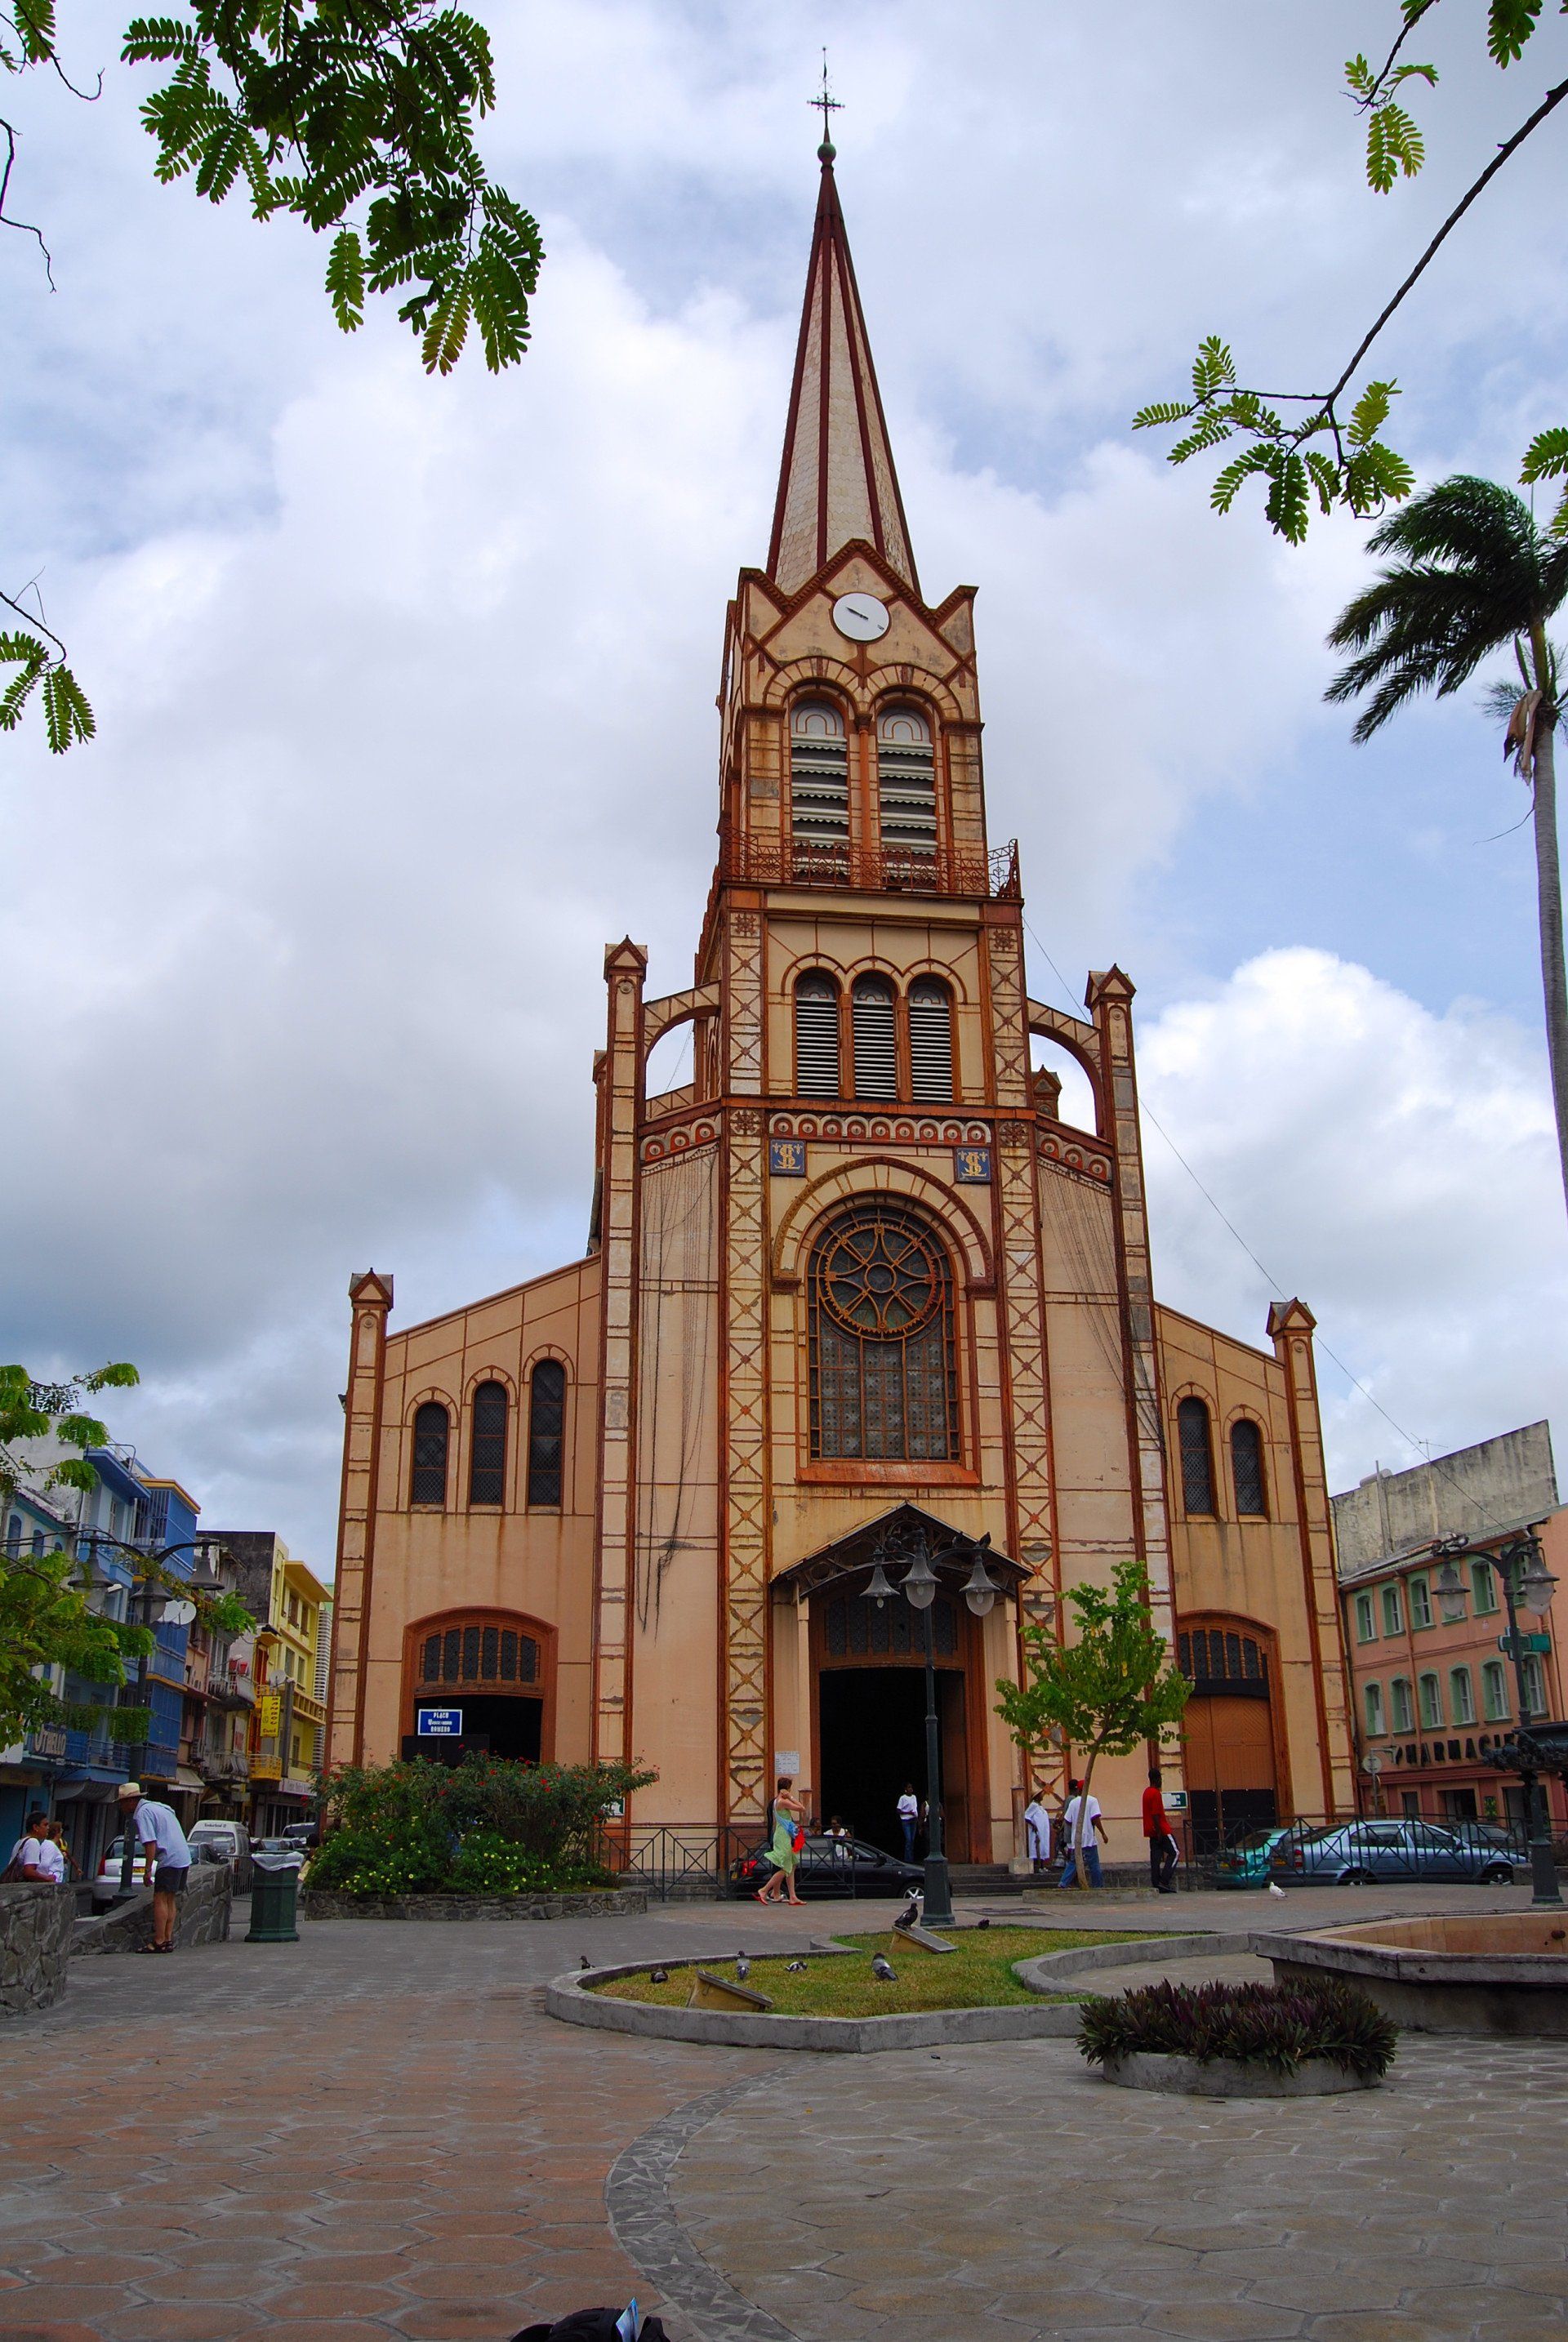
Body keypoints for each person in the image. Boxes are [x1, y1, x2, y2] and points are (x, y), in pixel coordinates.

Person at [116, 1781, 192, 1952]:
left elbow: (150, 1843)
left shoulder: (142, 1813)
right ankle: (168, 1940)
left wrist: (147, 1870)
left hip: (169, 1858)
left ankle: (159, 1941)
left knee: (160, 1899)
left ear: (130, 1801)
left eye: (122, 1803)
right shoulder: (159, 1807)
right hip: (183, 1856)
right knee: (170, 1899)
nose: (121, 1807)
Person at [755, 1774, 809, 1907]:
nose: (790, 1791)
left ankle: (792, 1896)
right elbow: (802, 1808)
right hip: (782, 1836)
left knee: (792, 1864)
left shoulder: (776, 1801)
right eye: (789, 1788)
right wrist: (790, 1797)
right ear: (785, 1789)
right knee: (786, 1868)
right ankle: (764, 1890)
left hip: (782, 1835)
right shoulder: (782, 1801)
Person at [1057, 1778, 1107, 1888]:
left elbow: (1068, 1820)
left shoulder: (1073, 1803)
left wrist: (1076, 1827)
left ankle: (1063, 1883)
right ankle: (1098, 1886)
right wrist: (1103, 1833)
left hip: (1076, 1839)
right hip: (1089, 1839)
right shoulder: (1092, 1801)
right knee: (1094, 1864)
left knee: (1074, 1863)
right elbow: (1095, 1818)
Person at [1143, 1765, 1180, 1895]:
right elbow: (1155, 1814)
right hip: (1161, 1830)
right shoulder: (1155, 1793)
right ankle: (1164, 1880)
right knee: (1175, 1852)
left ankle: (1156, 1882)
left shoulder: (1146, 1792)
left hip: (1150, 1830)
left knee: (1156, 1857)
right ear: (1157, 1779)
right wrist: (1159, 1832)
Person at [5, 1810, 65, 1884]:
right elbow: (29, 1872)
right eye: (45, 1825)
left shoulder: (21, 1841)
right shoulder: (33, 1842)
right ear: (35, 1827)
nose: (48, 1828)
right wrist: (47, 1878)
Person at [1022, 1788, 1053, 1873]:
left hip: (1043, 1831)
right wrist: (1033, 1825)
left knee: (1043, 1847)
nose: (1042, 1796)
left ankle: (1042, 1866)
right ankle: (1037, 1867)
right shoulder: (1034, 1805)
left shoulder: (1040, 1806)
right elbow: (1026, 1816)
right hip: (1037, 1831)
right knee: (1037, 1847)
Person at [896, 1782, 920, 1861]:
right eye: (909, 1787)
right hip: (906, 1820)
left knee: (912, 1840)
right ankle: (908, 1859)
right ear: (905, 1789)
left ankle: (911, 1858)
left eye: (911, 1787)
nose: (911, 1789)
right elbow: (898, 1810)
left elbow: (915, 1808)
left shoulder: (914, 1797)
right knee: (908, 1839)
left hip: (914, 1819)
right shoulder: (902, 1798)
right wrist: (908, 1813)